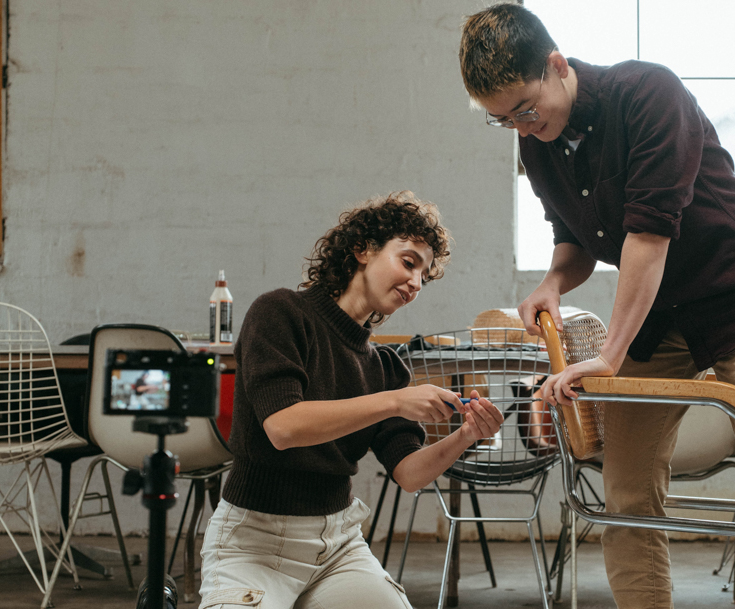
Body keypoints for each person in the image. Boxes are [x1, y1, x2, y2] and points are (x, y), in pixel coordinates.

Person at [459, 5, 735, 608]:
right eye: (502, 121)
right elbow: (576, 240)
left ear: (557, 66)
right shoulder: (538, 146)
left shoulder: (647, 93)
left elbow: (648, 237)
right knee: (628, 497)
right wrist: (553, 281)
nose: (522, 128)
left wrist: (608, 356)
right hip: (660, 318)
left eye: (525, 109)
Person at [198, 191, 505, 609]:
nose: (415, 283)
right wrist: (394, 402)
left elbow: (410, 474)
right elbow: (284, 427)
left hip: (336, 545)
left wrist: (466, 435)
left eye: (424, 275)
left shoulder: (386, 368)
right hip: (253, 542)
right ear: (363, 249)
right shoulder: (279, 313)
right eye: (408, 261)